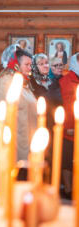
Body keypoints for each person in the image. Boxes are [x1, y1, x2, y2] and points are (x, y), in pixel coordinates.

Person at [0, 48, 37, 178]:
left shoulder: (22, 81)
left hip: (24, 139)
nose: (30, 68)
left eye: (30, 65)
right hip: (13, 142)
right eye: (26, 65)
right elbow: (4, 114)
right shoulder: (6, 82)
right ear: (17, 64)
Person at [58, 53, 79, 198]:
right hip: (70, 127)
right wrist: (68, 126)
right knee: (67, 159)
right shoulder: (66, 80)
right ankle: (68, 189)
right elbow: (65, 105)